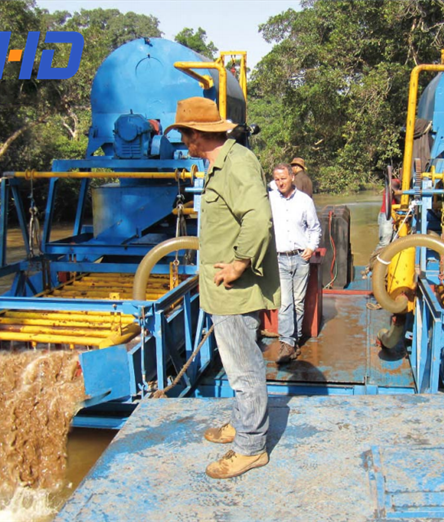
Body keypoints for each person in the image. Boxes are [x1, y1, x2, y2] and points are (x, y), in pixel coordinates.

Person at [166, 97, 281, 480]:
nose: (183, 141)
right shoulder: (219, 165)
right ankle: (242, 421)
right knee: (236, 365)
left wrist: (239, 263)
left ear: (198, 134)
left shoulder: (238, 162)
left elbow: (258, 218)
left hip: (234, 289)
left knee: (244, 368)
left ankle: (250, 447)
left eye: (184, 134)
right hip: (223, 291)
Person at [268, 163, 321, 364]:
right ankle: (286, 344)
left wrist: (311, 246)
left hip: (300, 257)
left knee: (298, 303)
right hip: (279, 258)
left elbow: (314, 228)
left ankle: (294, 341)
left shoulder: (304, 201)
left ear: (292, 177)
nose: (280, 182)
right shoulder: (270, 199)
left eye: (283, 178)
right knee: (285, 303)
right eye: (276, 179)